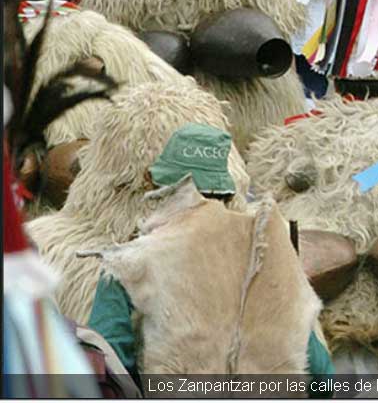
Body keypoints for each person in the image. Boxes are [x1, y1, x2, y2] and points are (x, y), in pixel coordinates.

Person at [86, 123, 334, 390]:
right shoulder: (265, 257)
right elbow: (321, 375)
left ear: (161, 190)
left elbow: (105, 368)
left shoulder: (130, 263)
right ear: (225, 194)